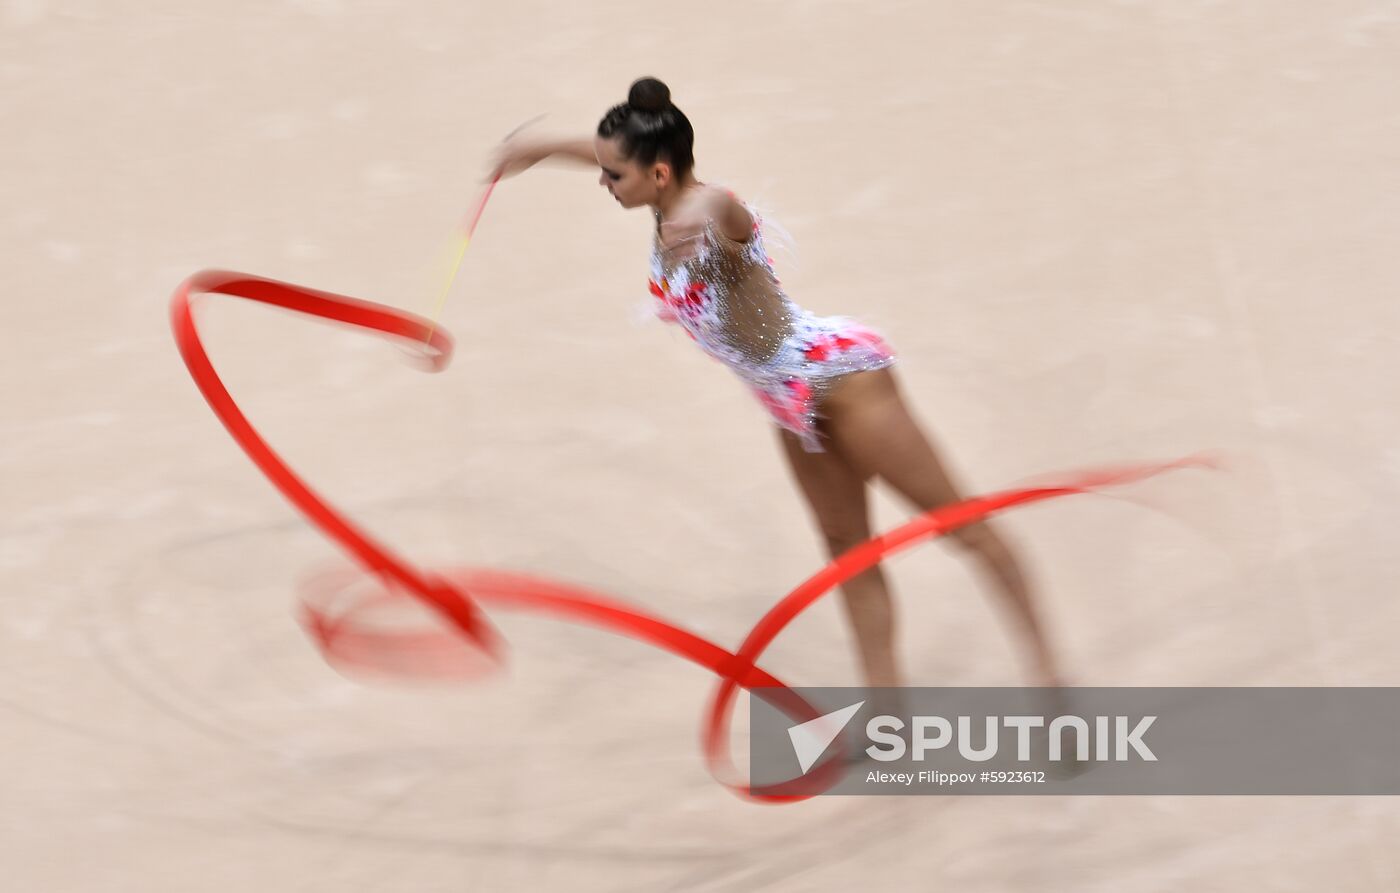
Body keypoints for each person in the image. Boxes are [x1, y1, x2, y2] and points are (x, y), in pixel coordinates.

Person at [487, 76, 1065, 692]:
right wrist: (539, 147)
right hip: (792, 408)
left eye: (613, 177)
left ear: (659, 175)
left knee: (964, 530)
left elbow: (726, 208)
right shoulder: (656, 195)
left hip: (844, 383)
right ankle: (886, 708)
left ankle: (1054, 682)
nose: (603, 182)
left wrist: (699, 213)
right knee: (849, 552)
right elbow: (610, 153)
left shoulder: (712, 219)